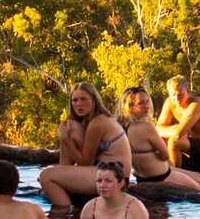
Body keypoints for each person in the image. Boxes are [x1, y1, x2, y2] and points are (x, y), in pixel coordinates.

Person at [38, 81, 132, 211]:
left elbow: (86, 161)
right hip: (103, 170)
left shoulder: (98, 123)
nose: (78, 104)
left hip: (116, 177)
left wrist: (65, 138)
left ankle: (65, 216)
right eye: (75, 100)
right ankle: (63, 183)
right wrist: (62, 172)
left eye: (83, 99)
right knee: (71, 127)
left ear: (94, 100)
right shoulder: (90, 121)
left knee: (46, 176)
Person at [119, 86, 200, 198]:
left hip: (144, 177)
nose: (147, 106)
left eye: (147, 102)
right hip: (163, 176)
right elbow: (165, 155)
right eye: (141, 103)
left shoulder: (124, 128)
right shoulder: (147, 127)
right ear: (129, 107)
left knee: (197, 176)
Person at [155, 76, 200, 175]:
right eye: (173, 95)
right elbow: (158, 129)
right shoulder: (169, 102)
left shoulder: (196, 105)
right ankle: (161, 169)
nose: (176, 99)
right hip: (191, 145)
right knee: (160, 140)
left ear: (188, 92)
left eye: (180, 95)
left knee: (174, 141)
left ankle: (175, 176)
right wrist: (174, 128)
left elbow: (179, 133)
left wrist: (175, 130)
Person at [79, 157, 152, 219]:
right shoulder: (90, 208)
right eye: (99, 181)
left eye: (108, 181)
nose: (102, 185)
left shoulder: (136, 209)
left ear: (121, 184)